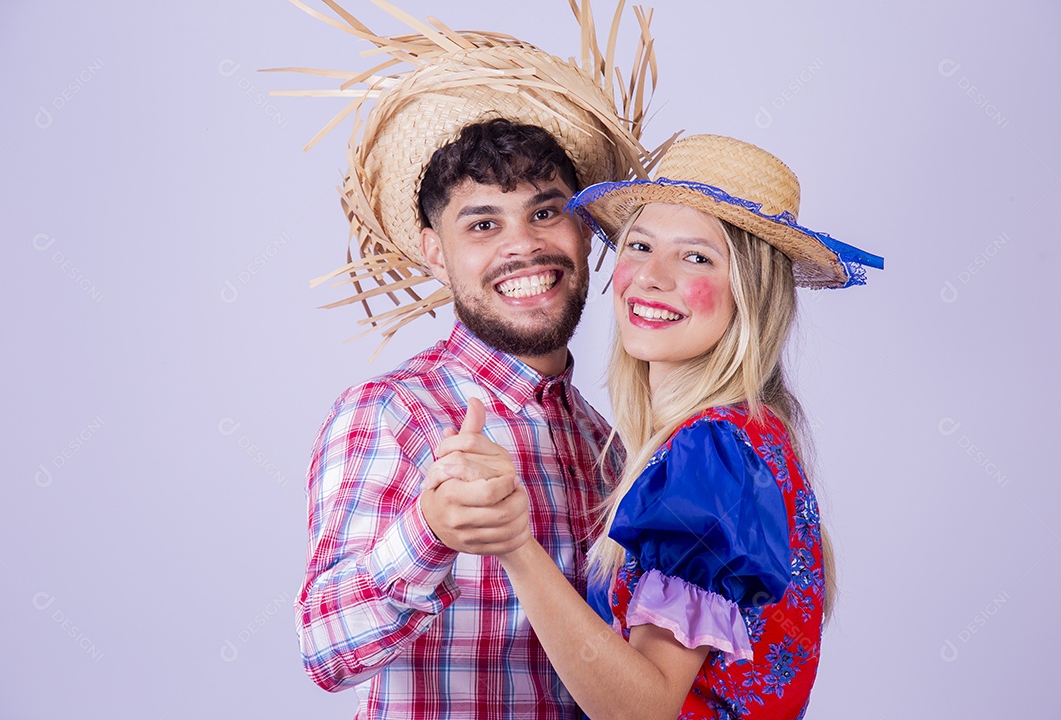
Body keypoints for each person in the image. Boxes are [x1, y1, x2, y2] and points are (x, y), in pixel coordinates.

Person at [288, 3, 664, 718]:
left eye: (546, 211)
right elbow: (323, 648)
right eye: (483, 223)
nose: (523, 246)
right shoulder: (391, 413)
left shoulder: (608, 446)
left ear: (586, 230)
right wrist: (429, 531)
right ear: (435, 252)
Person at [429, 134, 884, 719]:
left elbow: (641, 710)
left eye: (696, 257)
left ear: (749, 295)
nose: (651, 276)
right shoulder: (743, 436)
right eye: (640, 245)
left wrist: (515, 545)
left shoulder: (712, 452)